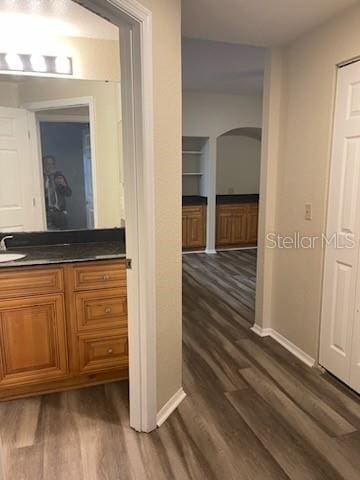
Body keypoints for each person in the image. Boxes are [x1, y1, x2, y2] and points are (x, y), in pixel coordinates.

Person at [43, 155, 72, 230]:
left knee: (64, 236)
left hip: (60, 212)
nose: (50, 166)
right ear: (43, 165)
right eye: (47, 164)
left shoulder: (59, 176)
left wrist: (64, 184)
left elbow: (69, 193)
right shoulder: (40, 177)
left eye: (52, 164)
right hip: (46, 214)